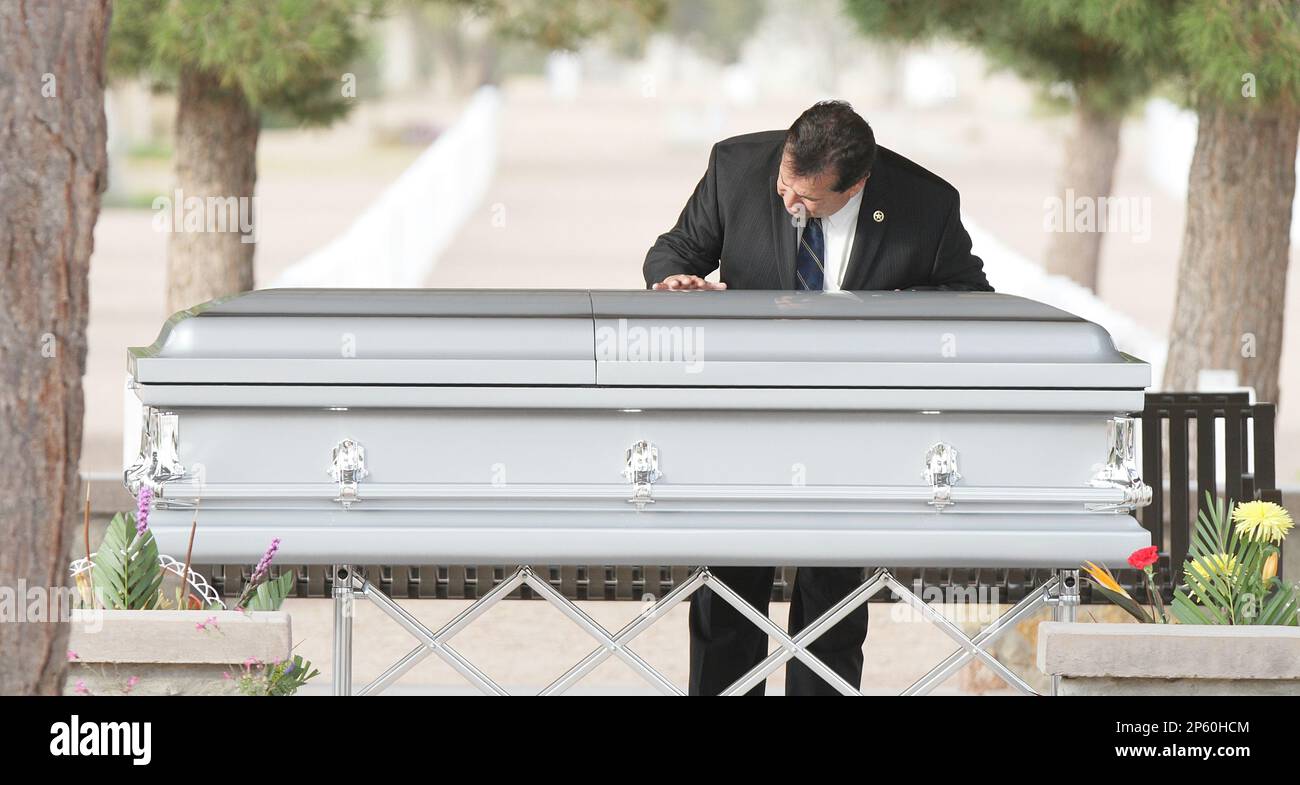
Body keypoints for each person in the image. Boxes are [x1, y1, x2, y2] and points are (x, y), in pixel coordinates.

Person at [643, 99, 992, 696]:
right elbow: (675, 249)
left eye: (808, 199)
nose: (789, 203)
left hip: (854, 423)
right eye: (785, 185)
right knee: (729, 591)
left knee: (832, 598)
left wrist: (899, 311)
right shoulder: (736, 166)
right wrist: (676, 280)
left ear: (858, 184)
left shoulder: (927, 203)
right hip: (743, 414)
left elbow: (971, 298)